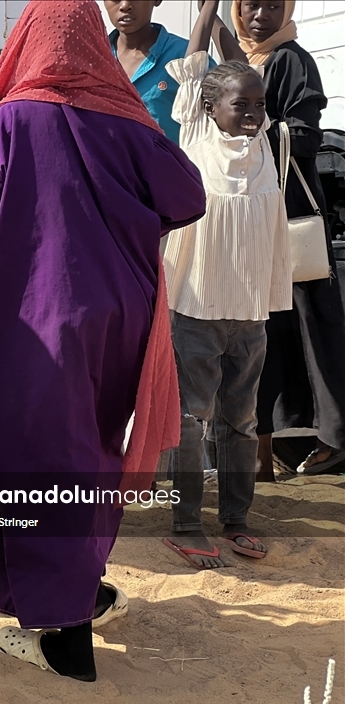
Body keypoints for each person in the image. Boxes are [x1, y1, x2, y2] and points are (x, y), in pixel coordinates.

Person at [0, 0, 206, 682]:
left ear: (27, 43)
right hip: (121, 315)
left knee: (42, 464)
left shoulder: (15, 116)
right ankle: (86, 586)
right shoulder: (127, 116)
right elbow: (189, 197)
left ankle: (65, 636)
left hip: (38, 314)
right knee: (92, 452)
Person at [161, 1, 291, 569]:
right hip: (195, 310)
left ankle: (235, 519)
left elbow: (237, 67)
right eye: (243, 106)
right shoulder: (196, 136)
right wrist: (208, 9)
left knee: (241, 421)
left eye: (260, 105)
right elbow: (199, 65)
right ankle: (187, 522)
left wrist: (228, 39)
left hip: (250, 317)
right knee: (192, 420)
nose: (255, 114)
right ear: (208, 108)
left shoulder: (266, 145)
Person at [230, 0, 345, 479]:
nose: (261, 15)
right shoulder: (235, 59)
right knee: (265, 334)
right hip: (250, 219)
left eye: (273, 5)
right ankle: (273, 447)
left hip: (289, 218)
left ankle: (332, 442)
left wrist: (245, 127)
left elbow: (302, 136)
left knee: (309, 330)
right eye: (251, 4)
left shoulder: (291, 59)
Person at [105, 0, 202, 143]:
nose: (125, 5)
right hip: (107, 164)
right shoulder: (94, 58)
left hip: (168, 164)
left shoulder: (185, 57)